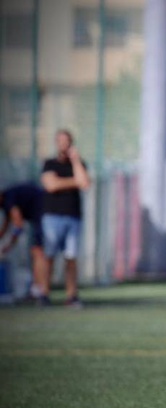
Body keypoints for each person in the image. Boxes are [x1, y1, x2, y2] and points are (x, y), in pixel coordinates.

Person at [40, 129, 91, 307]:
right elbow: (51, 185)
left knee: (71, 258)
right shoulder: (50, 164)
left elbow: (85, 183)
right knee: (49, 256)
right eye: (60, 141)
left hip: (73, 217)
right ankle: (44, 294)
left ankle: (72, 295)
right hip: (52, 217)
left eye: (66, 141)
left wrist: (76, 161)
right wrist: (74, 181)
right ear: (56, 143)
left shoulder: (79, 164)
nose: (64, 144)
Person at [0, 182, 46, 299]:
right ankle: (37, 289)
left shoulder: (9, 199)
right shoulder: (7, 201)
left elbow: (18, 224)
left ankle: (41, 290)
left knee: (38, 252)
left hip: (44, 214)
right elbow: (7, 223)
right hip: (41, 215)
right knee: (36, 252)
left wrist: (10, 244)